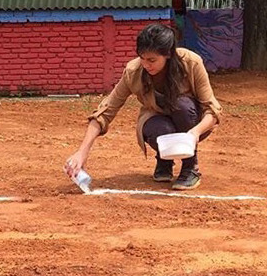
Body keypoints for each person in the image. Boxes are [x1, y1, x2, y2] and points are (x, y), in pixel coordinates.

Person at [64, 22, 221, 190]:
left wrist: (194, 133)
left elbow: (212, 110)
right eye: (142, 58)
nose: (146, 65)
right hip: (157, 119)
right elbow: (105, 111)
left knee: (182, 106)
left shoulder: (191, 63)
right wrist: (82, 152)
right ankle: (164, 159)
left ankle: (190, 167)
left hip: (190, 120)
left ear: (168, 54)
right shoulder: (134, 71)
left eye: (152, 60)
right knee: (159, 128)